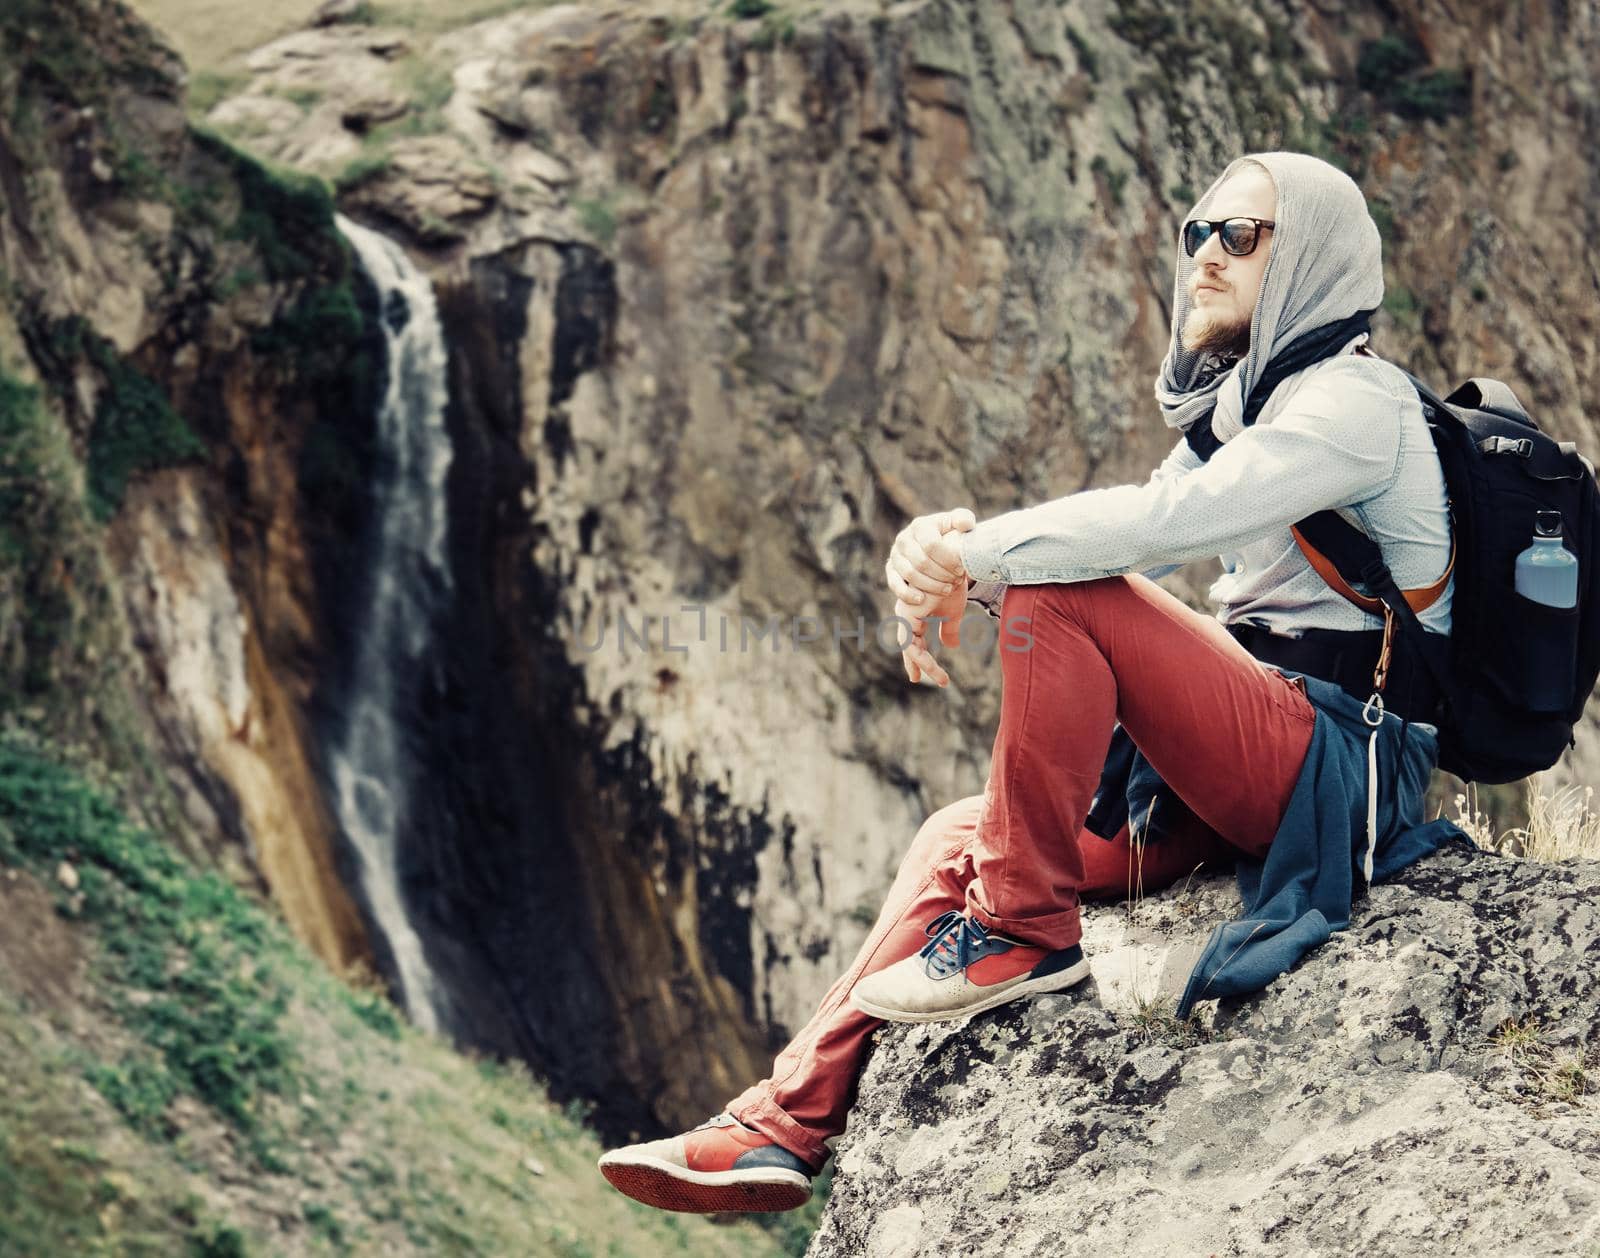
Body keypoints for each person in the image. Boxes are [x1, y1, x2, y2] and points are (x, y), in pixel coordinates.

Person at [597, 151, 1457, 1214]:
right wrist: (941, 549)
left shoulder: (1356, 405)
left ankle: (1022, 929)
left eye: (1240, 235)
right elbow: (1123, 537)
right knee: (963, 828)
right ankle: (783, 1124)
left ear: (1315, 258)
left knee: (1063, 589)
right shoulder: (1245, 412)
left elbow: (1157, 533)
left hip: (1343, 768)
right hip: (1245, 764)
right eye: (1195, 233)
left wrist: (980, 557)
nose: (1203, 257)